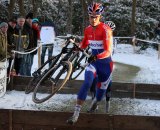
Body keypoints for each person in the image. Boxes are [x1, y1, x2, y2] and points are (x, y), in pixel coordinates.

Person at [67, 2, 113, 124]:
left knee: (99, 95)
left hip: (105, 65)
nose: (93, 19)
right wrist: (76, 48)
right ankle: (76, 114)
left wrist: (96, 56)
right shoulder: (87, 29)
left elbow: (108, 51)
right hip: (93, 63)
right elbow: (84, 43)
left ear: (100, 16)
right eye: (91, 16)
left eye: (96, 17)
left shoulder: (105, 30)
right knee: (87, 82)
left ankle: (95, 103)